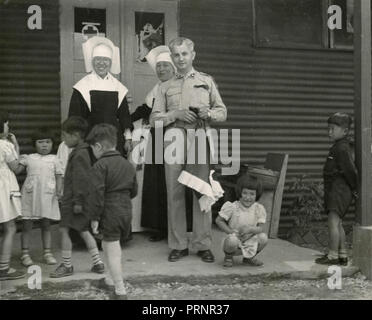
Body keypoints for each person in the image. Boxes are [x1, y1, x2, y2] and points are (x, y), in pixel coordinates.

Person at [150, 37, 227, 263]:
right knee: (174, 192)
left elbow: (222, 111)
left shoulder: (206, 81)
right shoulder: (165, 86)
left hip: (200, 138)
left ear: (192, 55)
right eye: (176, 55)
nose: (180, 59)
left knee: (201, 189)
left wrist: (209, 114)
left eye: (184, 54)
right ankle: (178, 244)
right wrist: (175, 114)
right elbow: (154, 119)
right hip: (174, 138)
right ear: (172, 58)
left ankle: (202, 244)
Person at [86, 124, 137, 300]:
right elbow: (134, 191)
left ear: (98, 146)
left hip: (109, 211)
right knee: (109, 245)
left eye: (92, 148)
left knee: (112, 249)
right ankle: (109, 279)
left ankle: (120, 289)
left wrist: (94, 218)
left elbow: (97, 195)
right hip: (126, 210)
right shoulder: (127, 164)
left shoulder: (99, 166)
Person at [131, 45, 175, 241]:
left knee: (172, 182)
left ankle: (173, 228)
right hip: (156, 138)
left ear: (174, 67)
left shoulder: (179, 86)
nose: (162, 69)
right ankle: (158, 227)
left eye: (166, 65)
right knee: (156, 182)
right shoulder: (156, 88)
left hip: (174, 137)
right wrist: (124, 118)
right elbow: (144, 110)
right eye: (159, 66)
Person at [50, 116, 104, 278]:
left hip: (74, 201)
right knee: (84, 231)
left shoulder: (79, 154)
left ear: (75, 135)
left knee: (64, 230)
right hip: (78, 200)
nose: (63, 139)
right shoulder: (83, 151)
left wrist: (78, 202)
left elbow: (81, 180)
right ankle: (98, 263)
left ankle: (67, 265)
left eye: (65, 136)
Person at [68, 36, 132, 157]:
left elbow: (124, 116)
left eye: (105, 60)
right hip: (90, 140)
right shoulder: (82, 86)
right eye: (98, 59)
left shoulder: (118, 86)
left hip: (114, 140)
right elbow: (75, 118)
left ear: (111, 62)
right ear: (92, 61)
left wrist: (128, 139)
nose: (101, 63)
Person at [315, 112, 358, 266]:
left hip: (339, 190)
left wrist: (354, 188)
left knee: (333, 222)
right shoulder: (339, 147)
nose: (329, 132)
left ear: (345, 131)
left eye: (333, 129)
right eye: (329, 129)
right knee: (338, 223)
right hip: (336, 190)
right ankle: (343, 255)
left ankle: (332, 256)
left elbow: (350, 171)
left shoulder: (341, 148)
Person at [19, 128, 63, 267]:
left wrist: (59, 191)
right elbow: (16, 169)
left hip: (47, 195)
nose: (44, 145)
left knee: (46, 224)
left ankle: (47, 253)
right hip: (30, 195)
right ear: (34, 144)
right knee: (27, 225)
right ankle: (25, 254)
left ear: (52, 144)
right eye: (40, 142)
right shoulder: (28, 158)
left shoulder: (55, 159)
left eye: (48, 142)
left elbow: (59, 176)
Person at [215, 175, 268, 267]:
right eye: (245, 193)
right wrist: (230, 232)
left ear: (257, 195)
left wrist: (251, 229)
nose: (248, 197)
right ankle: (228, 257)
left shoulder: (259, 209)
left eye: (252, 194)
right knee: (232, 240)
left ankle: (248, 258)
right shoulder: (232, 207)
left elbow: (261, 228)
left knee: (263, 238)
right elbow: (219, 220)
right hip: (234, 240)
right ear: (240, 193)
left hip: (250, 239)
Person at [0, 111, 25, 280]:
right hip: (3, 188)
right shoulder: (4, 145)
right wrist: (22, 156)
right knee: (9, 227)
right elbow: (16, 168)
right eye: (7, 123)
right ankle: (3, 269)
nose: (9, 126)